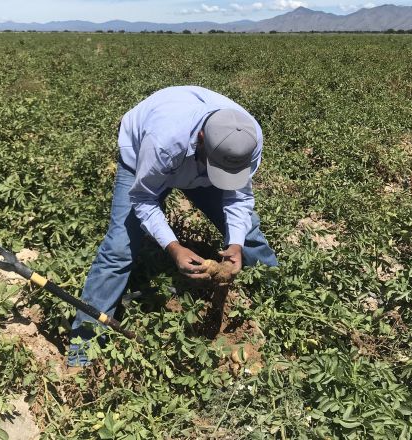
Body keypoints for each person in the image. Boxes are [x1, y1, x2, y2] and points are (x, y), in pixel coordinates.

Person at [67, 86, 278, 366]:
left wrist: (235, 244)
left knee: (248, 234)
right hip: (145, 160)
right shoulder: (164, 140)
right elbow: (143, 198)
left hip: (196, 162)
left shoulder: (248, 137)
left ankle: (278, 307)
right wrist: (174, 247)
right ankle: (82, 355)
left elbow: (238, 196)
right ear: (201, 139)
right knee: (119, 248)